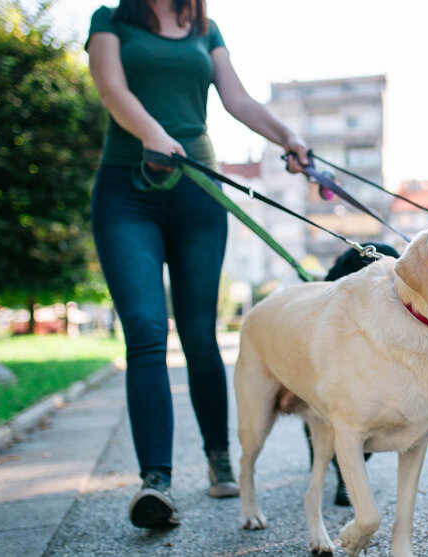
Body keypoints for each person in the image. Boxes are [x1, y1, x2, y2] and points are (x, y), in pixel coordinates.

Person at [85, 0, 309, 529]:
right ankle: (156, 482)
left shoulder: (204, 28)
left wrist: (288, 137)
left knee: (199, 335)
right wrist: (152, 133)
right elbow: (112, 89)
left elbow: (236, 99)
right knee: (144, 329)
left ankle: (218, 457)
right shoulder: (109, 21)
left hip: (199, 189)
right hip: (127, 188)